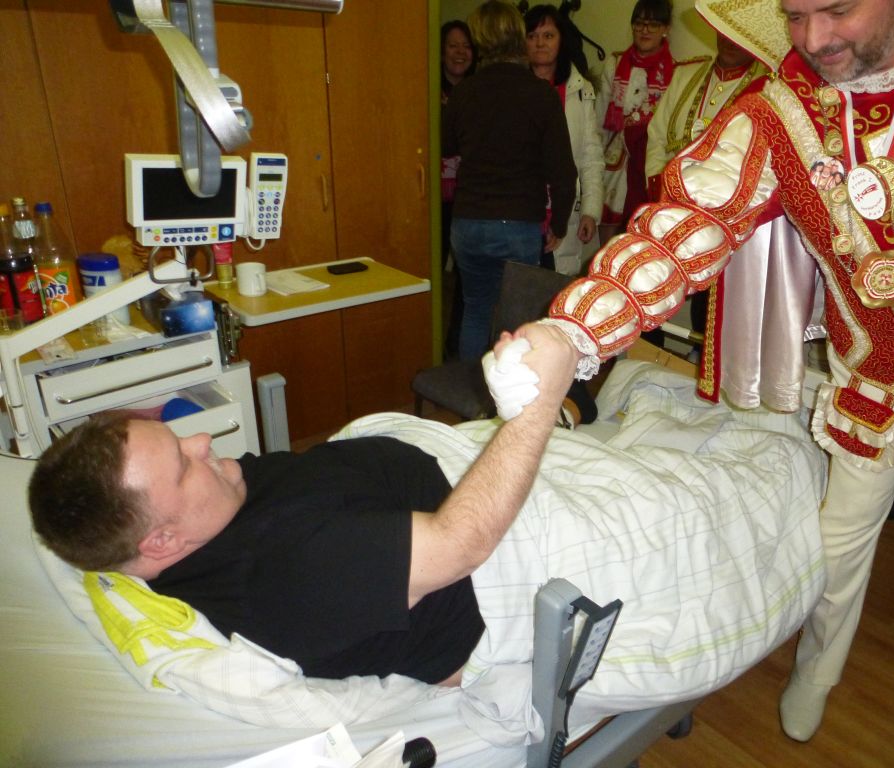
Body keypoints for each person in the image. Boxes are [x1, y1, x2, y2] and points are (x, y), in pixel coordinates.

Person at [539, 0, 894, 743]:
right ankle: (817, 670)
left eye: (836, 9)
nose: (813, 39)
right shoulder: (779, 111)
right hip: (877, 359)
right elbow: (688, 223)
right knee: (838, 535)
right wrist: (572, 331)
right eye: (795, 14)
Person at [30, 322, 580, 687]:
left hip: (441, 476)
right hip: (493, 544)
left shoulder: (211, 514)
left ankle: (569, 419)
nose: (201, 442)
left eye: (179, 439)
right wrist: (538, 405)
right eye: (182, 463)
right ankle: (566, 415)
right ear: (163, 541)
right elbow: (461, 544)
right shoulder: (279, 575)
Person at [443, 0, 577, 361]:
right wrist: (559, 223)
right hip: (518, 224)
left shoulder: (464, 92)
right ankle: (507, 392)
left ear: (480, 39)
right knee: (517, 322)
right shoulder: (541, 94)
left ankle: (470, 388)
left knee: (475, 310)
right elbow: (563, 172)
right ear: (517, 37)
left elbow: (447, 145)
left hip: (469, 221)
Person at [645, 29, 768, 364]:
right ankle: (646, 354)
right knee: (651, 280)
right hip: (668, 202)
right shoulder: (687, 74)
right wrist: (657, 182)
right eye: (723, 33)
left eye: (739, 35)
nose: (729, 41)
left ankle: (705, 361)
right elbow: (657, 135)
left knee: (712, 298)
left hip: (721, 215)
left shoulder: (766, 87)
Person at [525, 4, 603, 277]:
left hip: (566, 209)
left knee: (559, 287)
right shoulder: (514, 87)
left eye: (548, 36)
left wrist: (591, 211)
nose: (540, 43)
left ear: (561, 40)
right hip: (522, 212)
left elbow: (591, 156)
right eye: (532, 36)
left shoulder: (580, 90)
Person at [596, 0, 678, 246]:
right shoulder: (615, 63)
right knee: (607, 234)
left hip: (647, 162)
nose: (645, 31)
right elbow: (600, 117)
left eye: (653, 25)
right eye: (639, 24)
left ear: (666, 29)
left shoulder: (675, 71)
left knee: (639, 233)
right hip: (614, 159)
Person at [440, 20, 477, 361]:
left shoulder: (480, 91)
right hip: (433, 195)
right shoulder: (428, 87)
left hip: (469, 196)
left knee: (467, 279)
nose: (460, 52)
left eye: (466, 46)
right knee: (433, 271)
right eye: (453, 45)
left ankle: (455, 346)